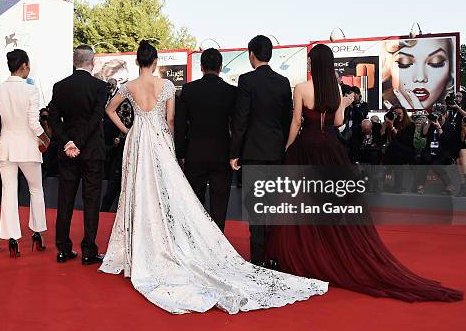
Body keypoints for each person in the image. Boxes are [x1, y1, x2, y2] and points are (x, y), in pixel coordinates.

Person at [100, 40, 327, 315]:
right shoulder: (205, 89)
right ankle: (220, 249)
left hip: (158, 146)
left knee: (146, 194)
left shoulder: (182, 90)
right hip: (206, 151)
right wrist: (233, 151)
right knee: (222, 204)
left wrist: (132, 132)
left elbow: (172, 122)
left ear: (138, 61)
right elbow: (177, 121)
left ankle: (168, 244)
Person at [266, 44, 462, 302]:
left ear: (313, 64)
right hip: (330, 149)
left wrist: (288, 148)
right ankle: (329, 252)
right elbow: (337, 123)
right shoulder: (335, 89)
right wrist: (344, 105)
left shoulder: (302, 88)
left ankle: (303, 254)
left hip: (306, 149)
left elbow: (296, 123)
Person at [229, 35, 293, 266]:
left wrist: (234, 152)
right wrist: (283, 146)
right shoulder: (283, 82)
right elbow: (288, 120)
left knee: (256, 207)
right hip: (276, 151)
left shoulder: (246, 81)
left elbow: (241, 119)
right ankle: (273, 256)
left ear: (251, 55)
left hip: (253, 152)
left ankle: (257, 259)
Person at [0, 49, 50, 258]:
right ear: (23, 66)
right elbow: (34, 122)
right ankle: (37, 232)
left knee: (9, 192)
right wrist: (46, 138)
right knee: (36, 190)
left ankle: (13, 238)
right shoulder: (31, 91)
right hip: (28, 148)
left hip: (6, 148)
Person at [48, 45, 107, 265]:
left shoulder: (60, 86)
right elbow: (96, 118)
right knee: (91, 201)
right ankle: (89, 251)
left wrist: (68, 142)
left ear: (74, 61)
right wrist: (78, 143)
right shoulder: (100, 87)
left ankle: (63, 248)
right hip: (91, 151)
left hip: (67, 152)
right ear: (92, 62)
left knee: (65, 199)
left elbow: (53, 119)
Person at [175, 48, 236, 231]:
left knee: (194, 202)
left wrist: (181, 152)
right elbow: (237, 126)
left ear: (201, 67)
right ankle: (218, 243)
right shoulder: (231, 91)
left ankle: (197, 242)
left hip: (195, 152)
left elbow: (180, 125)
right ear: (221, 67)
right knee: (219, 202)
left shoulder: (189, 90)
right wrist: (235, 152)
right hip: (222, 153)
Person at [382, 38, 455, 109]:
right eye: (404, 63)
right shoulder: (377, 107)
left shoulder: (453, 111)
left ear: (450, 68)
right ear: (388, 68)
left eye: (435, 62)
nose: (420, 78)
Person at [100, 91, 133, 212]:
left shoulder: (128, 104)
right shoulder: (123, 105)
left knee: (114, 188)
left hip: (125, 148)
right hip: (121, 149)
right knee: (113, 188)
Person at [413, 105, 457, 195]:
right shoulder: (431, 124)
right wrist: (429, 122)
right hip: (431, 150)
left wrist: (439, 128)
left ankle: (449, 185)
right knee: (423, 160)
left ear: (445, 115)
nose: (438, 117)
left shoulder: (449, 127)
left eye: (440, 115)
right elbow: (424, 134)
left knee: (435, 164)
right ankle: (420, 185)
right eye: (435, 114)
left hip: (444, 152)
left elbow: (446, 141)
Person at [381, 106, 416, 193]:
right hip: (396, 153)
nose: (398, 115)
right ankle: (398, 187)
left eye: (399, 113)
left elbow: (404, 140)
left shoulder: (410, 124)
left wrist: (392, 128)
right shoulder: (393, 122)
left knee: (394, 145)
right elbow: (382, 134)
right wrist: (386, 123)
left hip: (407, 149)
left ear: (404, 114)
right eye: (395, 114)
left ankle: (384, 175)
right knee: (397, 159)